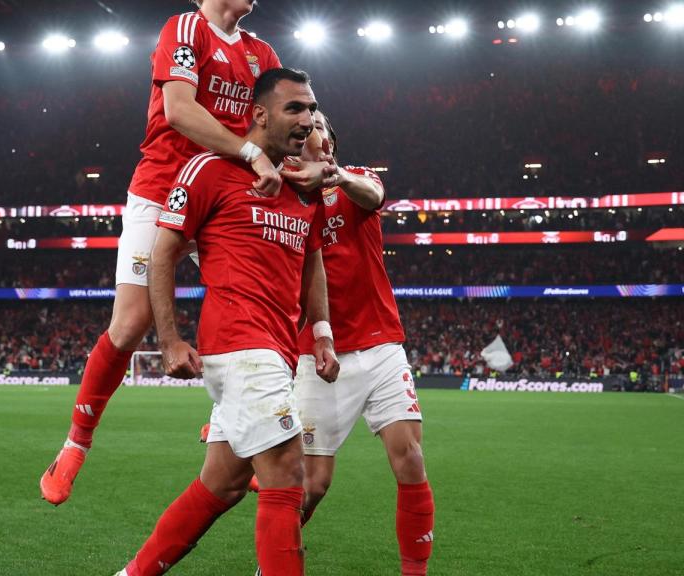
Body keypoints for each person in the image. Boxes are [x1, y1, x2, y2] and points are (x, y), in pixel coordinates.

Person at [39, 0, 296, 506]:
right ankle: (75, 443)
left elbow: (284, 118)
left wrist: (320, 163)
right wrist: (250, 152)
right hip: (162, 189)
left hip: (226, 196)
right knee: (131, 324)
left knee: (267, 308)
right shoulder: (184, 29)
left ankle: (233, 428)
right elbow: (179, 110)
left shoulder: (263, 53)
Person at [117, 68, 337, 576]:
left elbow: (312, 262)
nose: (307, 119)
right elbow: (162, 252)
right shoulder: (210, 169)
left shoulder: (301, 186)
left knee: (223, 483)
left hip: (277, 351)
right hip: (240, 346)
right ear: (259, 114)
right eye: (294, 108)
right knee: (288, 473)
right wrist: (169, 340)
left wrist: (322, 333)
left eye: (311, 109)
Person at [286, 112, 434, 576]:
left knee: (410, 458)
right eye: (307, 125)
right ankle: (276, 560)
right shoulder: (284, 199)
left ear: (331, 142)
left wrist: (339, 177)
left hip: (381, 344)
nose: (316, 132)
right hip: (319, 354)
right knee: (313, 485)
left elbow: (374, 194)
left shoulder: (357, 181)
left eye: (322, 125)